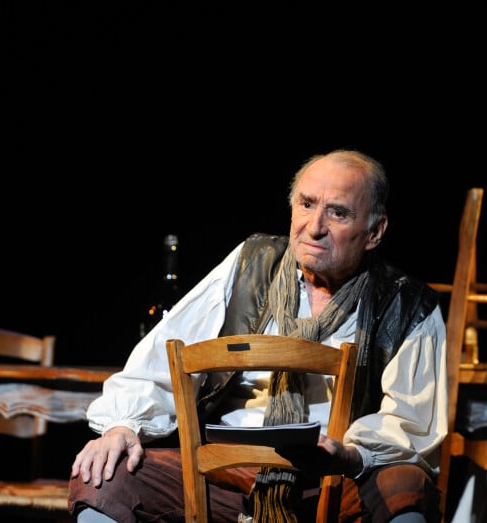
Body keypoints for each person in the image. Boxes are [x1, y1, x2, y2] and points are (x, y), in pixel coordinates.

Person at [69, 149, 448, 523]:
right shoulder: (251, 263)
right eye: (306, 205)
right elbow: (163, 356)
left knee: (406, 487)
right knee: (105, 475)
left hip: (334, 480)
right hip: (225, 475)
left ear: (374, 232)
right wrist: (122, 426)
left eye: (337, 213)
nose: (315, 226)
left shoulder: (406, 302)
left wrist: (348, 456)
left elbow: (410, 424)